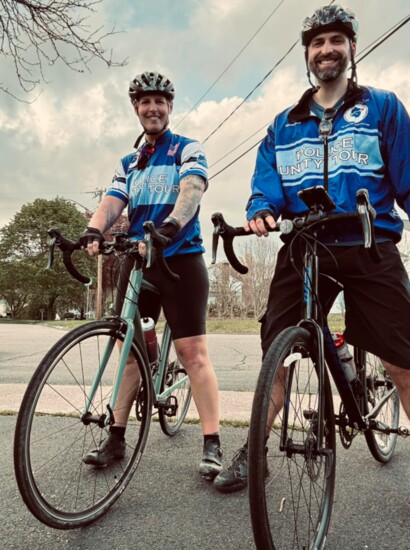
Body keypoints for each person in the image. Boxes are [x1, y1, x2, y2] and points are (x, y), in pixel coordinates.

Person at [214, 4, 410, 493]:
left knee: (402, 360)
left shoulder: (384, 107)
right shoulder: (284, 124)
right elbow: (266, 185)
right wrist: (260, 208)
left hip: (369, 242)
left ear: (351, 49)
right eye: (318, 43)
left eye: (336, 41)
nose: (327, 50)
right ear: (307, 55)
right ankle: (252, 452)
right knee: (274, 358)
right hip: (304, 248)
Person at [80, 71, 223, 480]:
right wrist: (95, 228)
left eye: (160, 101)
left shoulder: (186, 148)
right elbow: (113, 200)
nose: (153, 108)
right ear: (136, 108)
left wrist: (170, 229)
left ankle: (212, 442)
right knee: (128, 353)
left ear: (170, 107)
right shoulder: (130, 161)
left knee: (193, 354)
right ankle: (116, 436)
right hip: (137, 261)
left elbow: (191, 191)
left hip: (180, 259)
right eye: (145, 102)